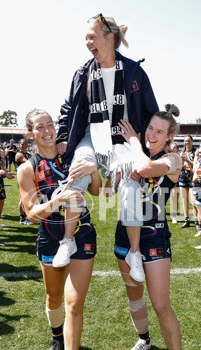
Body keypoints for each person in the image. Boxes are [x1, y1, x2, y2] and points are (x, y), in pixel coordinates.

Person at [55, 13, 159, 282]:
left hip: (124, 137)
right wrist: (62, 137)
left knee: (131, 185)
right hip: (92, 136)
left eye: (92, 37)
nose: (87, 42)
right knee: (78, 170)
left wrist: (146, 145)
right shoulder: (83, 72)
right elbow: (68, 108)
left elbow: (150, 111)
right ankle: (68, 241)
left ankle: (134, 252)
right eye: (85, 38)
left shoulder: (135, 71)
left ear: (109, 38)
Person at [18, 109, 101, 350]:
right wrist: (56, 201)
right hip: (50, 237)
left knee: (74, 304)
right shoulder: (27, 169)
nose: (47, 130)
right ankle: (56, 336)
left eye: (50, 124)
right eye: (40, 127)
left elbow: (96, 189)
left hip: (83, 233)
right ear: (31, 134)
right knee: (54, 300)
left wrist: (90, 167)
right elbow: (31, 212)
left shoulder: (71, 153)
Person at [115, 110, 190, 350]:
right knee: (134, 296)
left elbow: (147, 168)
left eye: (160, 131)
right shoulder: (133, 153)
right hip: (125, 235)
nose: (152, 134)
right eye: (149, 128)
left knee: (161, 304)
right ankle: (144, 340)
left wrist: (132, 139)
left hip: (155, 235)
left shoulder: (173, 159)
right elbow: (109, 191)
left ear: (169, 136)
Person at [178, 136, 195, 227]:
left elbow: (196, 165)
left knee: (193, 201)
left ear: (192, 141)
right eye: (185, 141)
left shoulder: (195, 152)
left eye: (188, 140)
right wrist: (182, 166)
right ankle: (186, 220)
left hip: (192, 178)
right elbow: (179, 164)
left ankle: (198, 222)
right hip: (183, 177)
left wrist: (186, 160)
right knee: (184, 200)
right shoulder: (182, 152)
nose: (187, 142)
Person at [15, 138, 33, 225]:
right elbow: (29, 163)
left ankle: (26, 216)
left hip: (29, 177)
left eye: (25, 144)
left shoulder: (28, 154)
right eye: (22, 144)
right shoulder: (19, 155)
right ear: (19, 145)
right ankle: (22, 218)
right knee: (23, 198)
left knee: (28, 197)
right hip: (22, 177)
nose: (24, 145)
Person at [169, 142, 181, 223]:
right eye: (172, 147)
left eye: (175, 147)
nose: (173, 149)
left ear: (177, 149)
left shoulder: (179, 157)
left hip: (177, 180)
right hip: (167, 179)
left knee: (174, 199)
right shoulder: (168, 156)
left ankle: (174, 216)